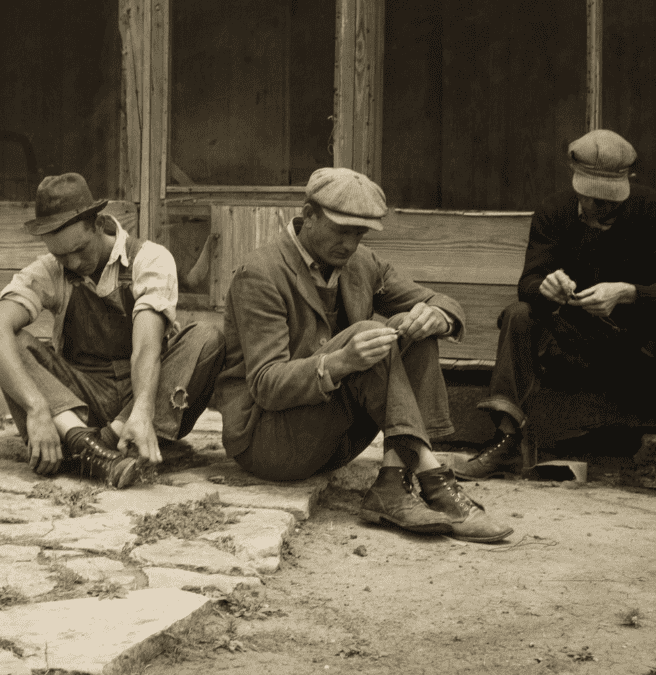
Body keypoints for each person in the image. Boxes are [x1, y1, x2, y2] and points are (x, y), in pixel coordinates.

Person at [215, 167, 512, 543]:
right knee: (371, 334)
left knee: (412, 325)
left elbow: (440, 301)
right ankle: (433, 480)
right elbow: (265, 385)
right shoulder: (260, 274)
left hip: (332, 438)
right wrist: (340, 362)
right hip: (269, 441)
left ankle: (394, 478)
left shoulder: (361, 263)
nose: (350, 243)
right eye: (341, 230)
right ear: (309, 215)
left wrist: (437, 316)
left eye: (360, 233)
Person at [0, 173, 225, 489]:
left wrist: (143, 411)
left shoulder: (149, 259)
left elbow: (146, 349)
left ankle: (91, 447)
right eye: (61, 255)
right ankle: (88, 446)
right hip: (82, 401)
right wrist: (36, 407)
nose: (73, 262)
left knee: (207, 337)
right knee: (13, 341)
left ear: (97, 224)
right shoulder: (50, 271)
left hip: (142, 392)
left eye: (79, 249)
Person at [457, 129, 656, 480]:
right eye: (590, 197)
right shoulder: (554, 210)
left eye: (609, 199)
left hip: (638, 346)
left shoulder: (651, 210)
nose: (598, 206)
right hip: (575, 339)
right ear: (575, 181)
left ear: (629, 182)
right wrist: (545, 286)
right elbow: (527, 284)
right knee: (518, 315)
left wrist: (629, 292)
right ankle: (506, 439)